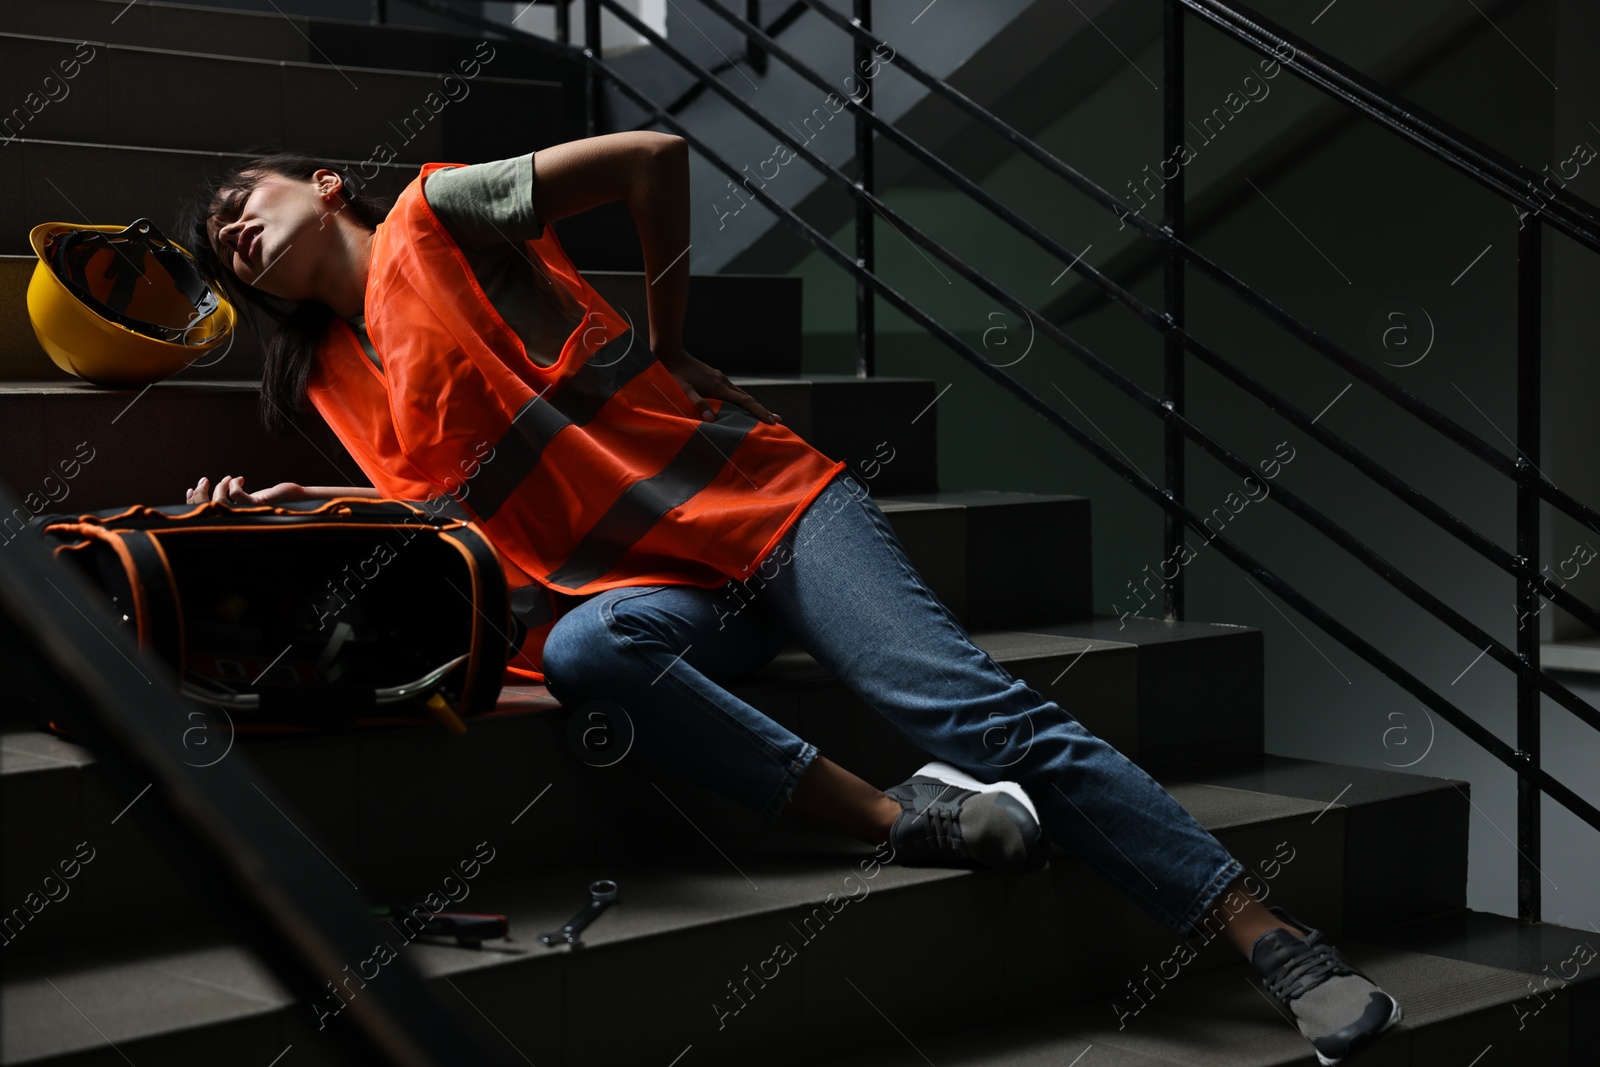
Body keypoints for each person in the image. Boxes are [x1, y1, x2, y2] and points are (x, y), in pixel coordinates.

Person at [181, 134, 1401, 1065]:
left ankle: (1266, 935)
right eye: (219, 235)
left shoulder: (434, 214)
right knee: (591, 656)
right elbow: (446, 509)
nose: (233, 226)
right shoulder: (335, 382)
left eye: (244, 198)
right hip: (656, 590)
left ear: (325, 183)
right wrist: (276, 507)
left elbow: (654, 158)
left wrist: (666, 339)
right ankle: (900, 819)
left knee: (969, 710)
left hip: (770, 510)